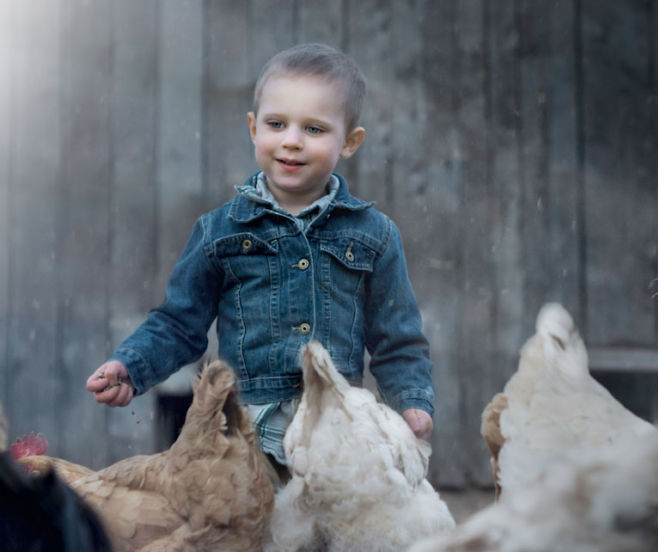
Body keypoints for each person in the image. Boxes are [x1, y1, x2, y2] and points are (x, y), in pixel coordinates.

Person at [86, 43, 435, 476]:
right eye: (276, 123)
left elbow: (396, 340)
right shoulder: (221, 232)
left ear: (350, 142)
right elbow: (179, 323)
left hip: (340, 442)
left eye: (314, 129)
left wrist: (413, 402)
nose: (291, 141)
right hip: (245, 442)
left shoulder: (374, 235)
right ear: (254, 128)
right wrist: (132, 366)